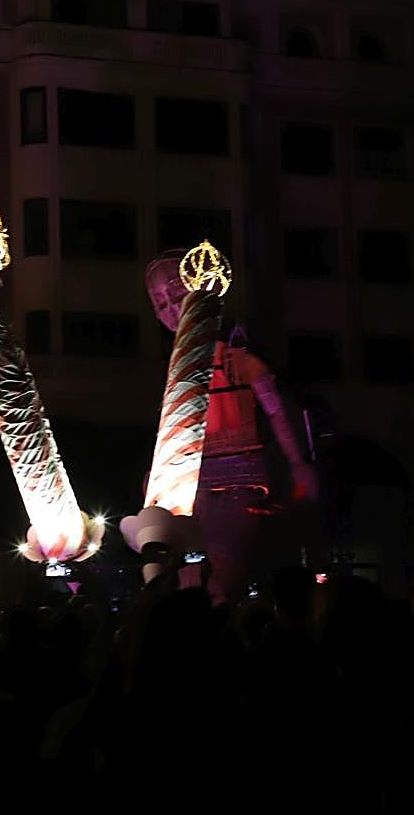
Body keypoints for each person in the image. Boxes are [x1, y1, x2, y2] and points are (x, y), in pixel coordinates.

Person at [145, 252, 319, 600]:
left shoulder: (238, 358)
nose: (171, 310)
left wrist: (298, 463)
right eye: (160, 303)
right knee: (182, 572)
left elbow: (277, 412)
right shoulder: (175, 372)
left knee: (223, 571)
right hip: (189, 482)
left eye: (178, 296)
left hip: (239, 478)